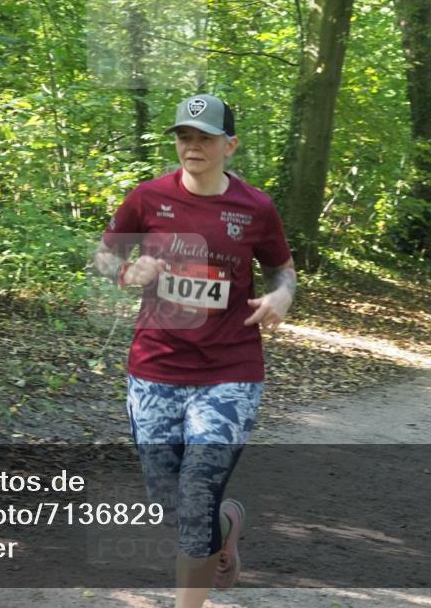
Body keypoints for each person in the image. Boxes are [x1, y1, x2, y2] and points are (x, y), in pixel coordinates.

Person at [94, 94, 295, 607]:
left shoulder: (256, 208)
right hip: (155, 368)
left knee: (198, 490)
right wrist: (125, 271)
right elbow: (105, 253)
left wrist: (281, 296)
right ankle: (226, 524)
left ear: (230, 145)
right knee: (172, 501)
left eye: (205, 137)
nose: (193, 146)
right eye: (185, 136)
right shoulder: (147, 198)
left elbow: (282, 269)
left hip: (231, 370)